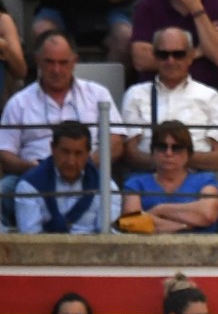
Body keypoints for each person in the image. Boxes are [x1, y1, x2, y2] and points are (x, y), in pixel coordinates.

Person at [0, 31, 127, 228]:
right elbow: (5, 152)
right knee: (3, 190)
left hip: (88, 172)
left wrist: (84, 164)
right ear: (38, 61)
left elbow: (116, 142)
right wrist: (30, 168)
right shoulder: (19, 102)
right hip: (34, 175)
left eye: (63, 62)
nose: (56, 69)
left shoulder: (97, 93)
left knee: (112, 191)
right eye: (49, 62)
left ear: (74, 61)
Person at [122, 26, 218, 174]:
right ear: (154, 56)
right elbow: (130, 154)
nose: (170, 60)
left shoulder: (210, 96)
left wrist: (174, 159)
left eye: (178, 54)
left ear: (191, 56)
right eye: (163, 54)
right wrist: (169, 161)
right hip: (150, 179)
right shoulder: (135, 94)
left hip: (198, 179)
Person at [14, 122, 119, 236]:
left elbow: (108, 237)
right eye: (65, 152)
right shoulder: (29, 186)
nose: (71, 161)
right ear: (52, 149)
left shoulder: (107, 187)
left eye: (78, 153)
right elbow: (30, 239)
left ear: (88, 153)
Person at [120, 120, 218, 234]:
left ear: (188, 153)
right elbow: (133, 222)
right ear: (152, 151)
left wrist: (160, 210)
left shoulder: (206, 180)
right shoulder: (136, 183)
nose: (169, 153)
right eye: (162, 147)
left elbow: (207, 214)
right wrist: (183, 227)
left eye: (177, 148)